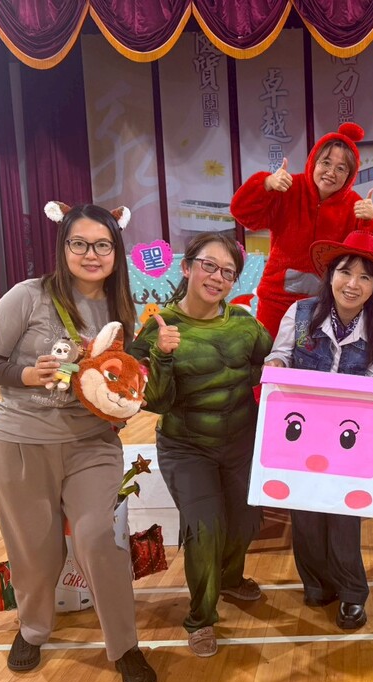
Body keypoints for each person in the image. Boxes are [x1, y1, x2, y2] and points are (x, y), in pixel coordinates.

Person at [0, 202, 157, 682]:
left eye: (103, 245)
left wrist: (127, 395)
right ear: (63, 247)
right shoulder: (27, 296)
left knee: (97, 538)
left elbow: (118, 375)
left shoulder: (121, 307)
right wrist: (24, 374)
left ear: (116, 252)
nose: (91, 254)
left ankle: (124, 646)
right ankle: (33, 629)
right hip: (21, 443)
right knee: (35, 552)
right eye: (80, 243)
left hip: (91, 444)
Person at [127, 233, 272, 658]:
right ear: (187, 267)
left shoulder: (245, 324)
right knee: (205, 528)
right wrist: (163, 356)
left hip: (241, 442)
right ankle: (201, 617)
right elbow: (153, 401)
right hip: (186, 447)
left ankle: (229, 579)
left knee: (246, 522)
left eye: (228, 271)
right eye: (209, 265)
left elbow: (274, 364)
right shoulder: (159, 328)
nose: (217, 277)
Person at [264, 230, 373, 631]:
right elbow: (280, 354)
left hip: (348, 439)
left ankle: (352, 593)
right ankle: (317, 585)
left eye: (365, 277)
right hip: (301, 433)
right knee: (305, 513)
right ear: (330, 276)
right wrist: (276, 365)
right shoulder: (301, 314)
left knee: (344, 516)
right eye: (345, 272)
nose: (352, 284)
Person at [230, 121, 373, 338]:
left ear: (350, 175)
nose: (331, 172)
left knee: (316, 357)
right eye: (326, 162)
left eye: (341, 168)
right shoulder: (288, 188)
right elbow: (243, 213)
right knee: (270, 353)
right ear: (314, 161)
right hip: (276, 299)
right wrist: (265, 184)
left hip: (327, 304)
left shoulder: (355, 206)